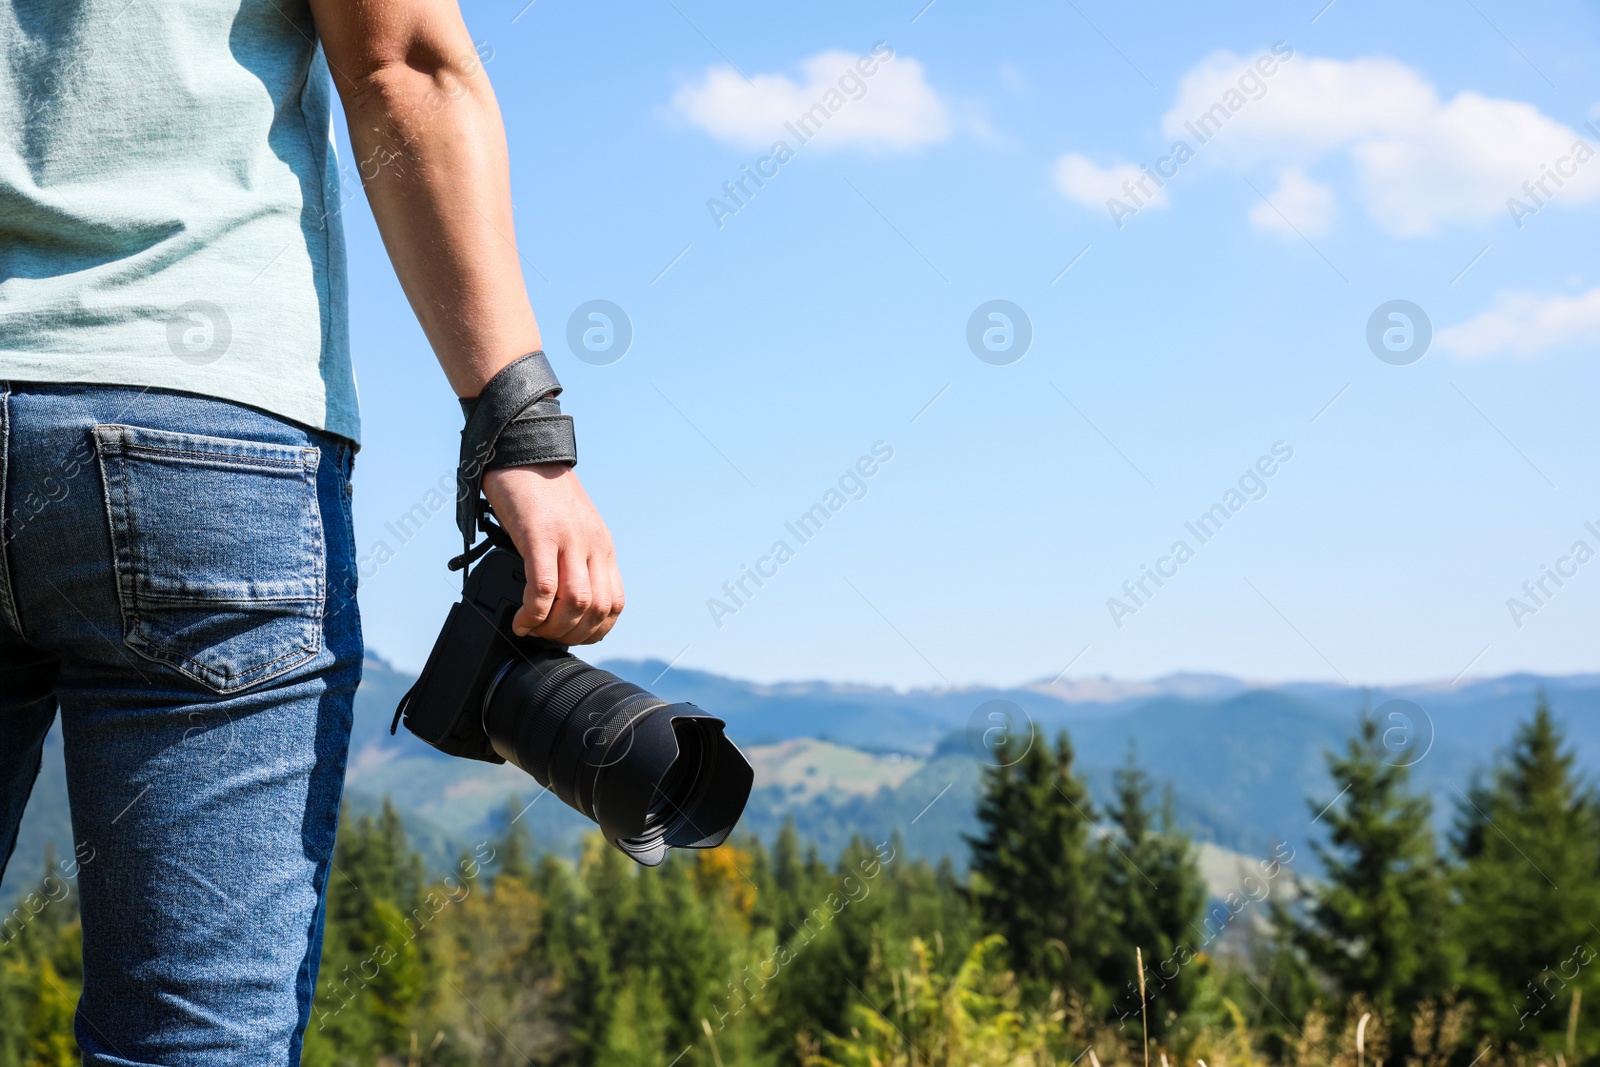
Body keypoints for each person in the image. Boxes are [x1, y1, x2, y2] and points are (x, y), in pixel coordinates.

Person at [0, 0, 621, 1059]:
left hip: (188, 440)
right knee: (194, 1037)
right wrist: (523, 429)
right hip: (197, 419)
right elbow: (404, 63)